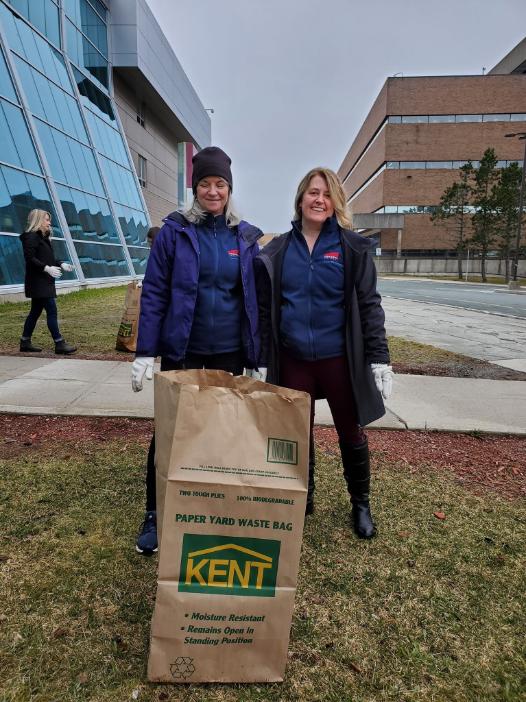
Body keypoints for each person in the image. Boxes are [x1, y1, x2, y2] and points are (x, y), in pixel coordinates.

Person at [131, 146, 263, 554]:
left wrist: (257, 357)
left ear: (229, 188)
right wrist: (144, 351)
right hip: (183, 349)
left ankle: (214, 508)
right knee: (171, 432)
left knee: (224, 432)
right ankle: (156, 512)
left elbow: (255, 299)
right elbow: (154, 293)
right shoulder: (174, 232)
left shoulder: (245, 237)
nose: (212, 191)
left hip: (228, 352)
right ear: (195, 188)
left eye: (219, 184)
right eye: (205, 183)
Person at [255, 167, 393, 539]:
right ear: (300, 199)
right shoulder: (280, 249)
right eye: (313, 192)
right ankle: (304, 497)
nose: (319, 199)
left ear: (335, 203)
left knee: (351, 430)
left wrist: (379, 357)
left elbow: (369, 305)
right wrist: (262, 357)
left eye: (326, 194)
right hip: (294, 359)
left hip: (339, 360)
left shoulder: (351, 248)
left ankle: (360, 503)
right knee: (297, 433)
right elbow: (266, 310)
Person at [19, 209, 77, 355]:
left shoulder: (43, 238)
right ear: (38, 220)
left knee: (35, 312)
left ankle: (25, 342)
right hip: (38, 282)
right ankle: (59, 343)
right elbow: (30, 259)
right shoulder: (31, 237)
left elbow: (48, 260)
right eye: (46, 219)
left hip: (43, 281)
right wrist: (46, 268)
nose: (49, 222)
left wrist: (61, 264)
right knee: (51, 310)